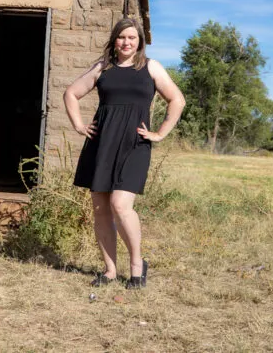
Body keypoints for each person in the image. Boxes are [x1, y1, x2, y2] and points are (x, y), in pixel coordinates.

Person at [63, 18, 185, 289]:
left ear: (139, 41)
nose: (126, 42)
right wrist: (79, 125)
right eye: (121, 37)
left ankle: (137, 265)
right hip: (101, 143)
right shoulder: (102, 67)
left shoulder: (151, 67)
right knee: (100, 209)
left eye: (132, 38)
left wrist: (161, 132)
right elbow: (71, 93)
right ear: (114, 40)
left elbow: (177, 99)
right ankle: (109, 270)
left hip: (135, 144)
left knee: (120, 204)